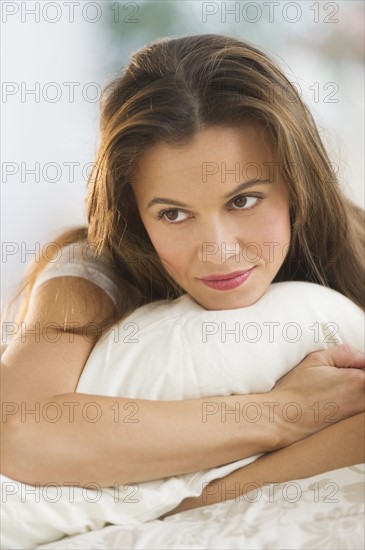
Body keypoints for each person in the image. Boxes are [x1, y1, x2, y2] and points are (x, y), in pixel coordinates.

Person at [1, 33, 364, 510]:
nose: (217, 250)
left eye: (244, 200)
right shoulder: (91, 270)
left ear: (298, 186)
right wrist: (284, 414)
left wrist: (200, 498)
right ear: (133, 211)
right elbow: (18, 430)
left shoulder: (352, 242)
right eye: (173, 214)